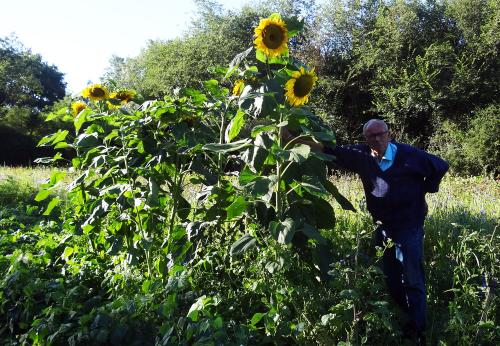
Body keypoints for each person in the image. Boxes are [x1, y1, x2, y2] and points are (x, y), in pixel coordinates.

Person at [284, 119, 449, 344]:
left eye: (382, 134)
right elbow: (328, 150)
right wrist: (290, 137)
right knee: (390, 277)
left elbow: (440, 165)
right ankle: (405, 316)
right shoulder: (361, 155)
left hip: (409, 225)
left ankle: (418, 330)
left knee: (412, 277)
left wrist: (426, 189)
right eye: (372, 136)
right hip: (383, 226)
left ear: (389, 134)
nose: (378, 139)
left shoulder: (410, 155)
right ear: (366, 139)